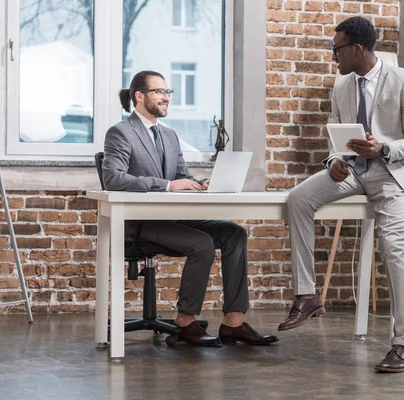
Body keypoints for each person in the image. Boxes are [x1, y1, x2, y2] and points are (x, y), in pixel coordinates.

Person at [277, 17, 404, 373]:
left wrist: (383, 148)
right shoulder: (341, 86)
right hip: (352, 172)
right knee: (298, 198)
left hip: (391, 175)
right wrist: (333, 161)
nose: (334, 57)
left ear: (357, 49)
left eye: (337, 49)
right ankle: (307, 294)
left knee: (393, 249)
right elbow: (336, 138)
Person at [102, 70, 278, 347]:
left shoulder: (169, 136)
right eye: (159, 91)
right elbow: (114, 178)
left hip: (173, 219)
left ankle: (233, 321)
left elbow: (182, 174)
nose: (166, 98)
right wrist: (169, 185)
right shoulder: (121, 132)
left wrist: (201, 183)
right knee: (202, 243)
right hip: (140, 224)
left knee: (234, 234)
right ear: (139, 96)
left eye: (167, 92)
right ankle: (185, 321)